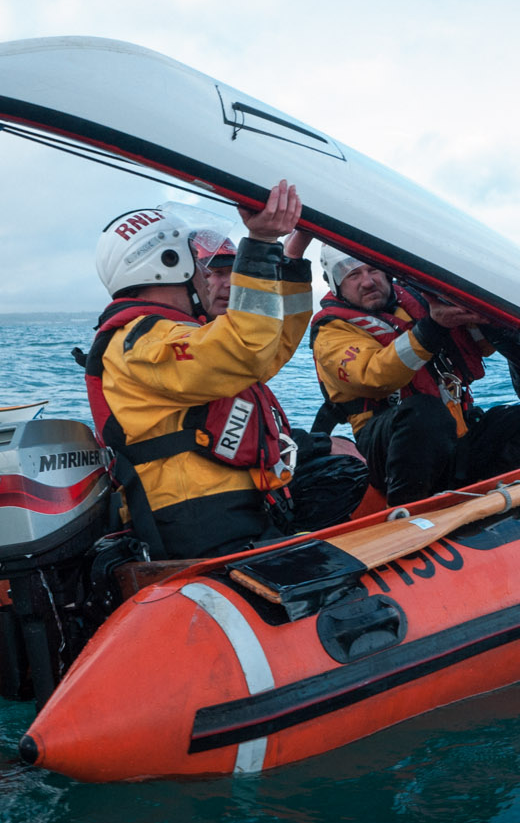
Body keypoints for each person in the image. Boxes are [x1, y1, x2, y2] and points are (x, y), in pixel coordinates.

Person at [83, 183, 367, 560]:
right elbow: (248, 348)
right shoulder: (141, 340)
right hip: (203, 525)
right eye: (200, 265)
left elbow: (270, 347)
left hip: (238, 504)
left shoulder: (178, 332)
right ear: (169, 263)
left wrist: (293, 257)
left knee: (343, 471)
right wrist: (262, 242)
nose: (206, 275)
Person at [310, 247, 520, 506]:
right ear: (335, 284)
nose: (367, 281)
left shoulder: (422, 300)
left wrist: (488, 319)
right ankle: (410, 508)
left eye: (373, 270)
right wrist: (432, 327)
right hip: (393, 446)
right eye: (352, 275)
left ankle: (483, 491)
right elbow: (375, 374)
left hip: (458, 433)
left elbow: (478, 346)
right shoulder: (331, 330)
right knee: (424, 412)